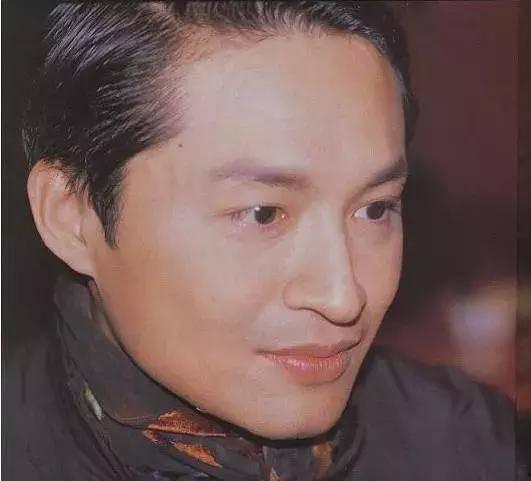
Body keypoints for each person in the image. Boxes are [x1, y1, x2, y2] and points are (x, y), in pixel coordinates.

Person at [5, 2, 521, 480]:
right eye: (263, 214)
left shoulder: (471, 445)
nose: (344, 297)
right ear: (72, 216)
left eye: (375, 209)